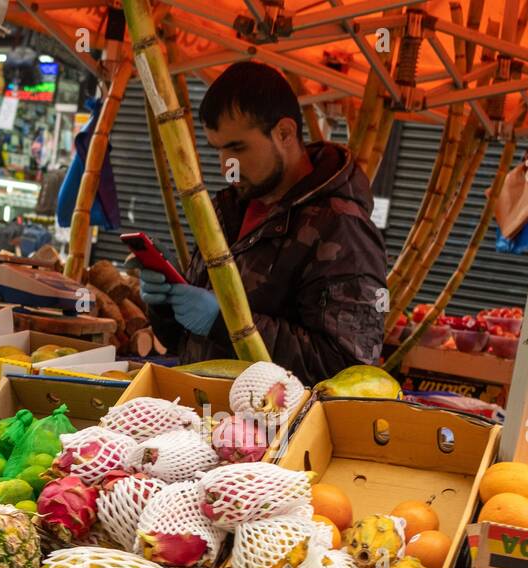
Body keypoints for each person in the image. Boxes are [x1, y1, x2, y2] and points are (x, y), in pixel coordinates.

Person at [138, 62, 387, 384]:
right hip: (198, 414)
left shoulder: (342, 228)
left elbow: (346, 369)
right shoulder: (226, 210)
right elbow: (183, 341)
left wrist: (226, 321)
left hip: (275, 429)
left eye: (237, 147)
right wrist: (166, 304)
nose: (226, 165)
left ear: (284, 133)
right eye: (218, 149)